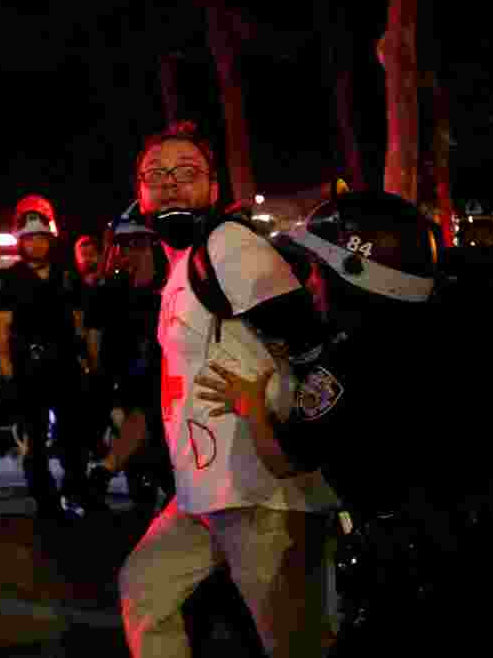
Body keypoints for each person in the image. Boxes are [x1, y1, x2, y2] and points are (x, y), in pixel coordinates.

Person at [194, 189, 493, 653]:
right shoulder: (465, 323)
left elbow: (283, 460)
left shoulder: (347, 364)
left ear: (357, 276)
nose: (311, 284)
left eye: (320, 271)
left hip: (413, 569)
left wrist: (252, 403)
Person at [117, 121, 339, 658]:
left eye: (186, 173)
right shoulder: (182, 264)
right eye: (156, 175)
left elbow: (310, 341)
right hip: (204, 492)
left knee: (291, 643)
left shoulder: (227, 244)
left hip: (257, 491)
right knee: (144, 590)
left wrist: (270, 399)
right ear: (139, 193)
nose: (170, 184)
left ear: (214, 188)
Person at [0, 195, 94, 521]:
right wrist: (5, 368)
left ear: (49, 240)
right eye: (30, 238)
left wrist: (88, 360)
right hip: (28, 367)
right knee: (34, 440)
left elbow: (80, 321)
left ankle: (75, 493)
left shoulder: (67, 275)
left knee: (73, 438)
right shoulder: (11, 278)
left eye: (41, 238)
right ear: (22, 242)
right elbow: (1, 326)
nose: (36, 244)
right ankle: (44, 500)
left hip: (65, 364)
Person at [85, 203, 175, 515]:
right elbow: (100, 344)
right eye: (123, 245)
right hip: (135, 393)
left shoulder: (178, 292)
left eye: (137, 244)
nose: (126, 255)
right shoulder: (115, 293)